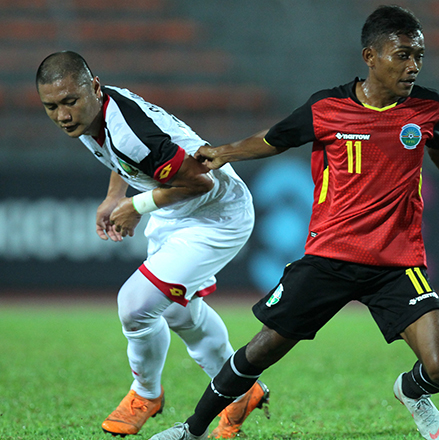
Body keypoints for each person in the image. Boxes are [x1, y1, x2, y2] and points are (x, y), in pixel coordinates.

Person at [149, 5, 439, 440]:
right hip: (330, 257)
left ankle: (409, 391)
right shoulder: (328, 107)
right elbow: (274, 139)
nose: (413, 66)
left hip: (397, 263)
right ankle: (191, 431)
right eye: (402, 55)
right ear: (370, 56)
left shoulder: (425, 106)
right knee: (259, 351)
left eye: (419, 56)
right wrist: (224, 152)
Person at [35, 51, 269, 438]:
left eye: (69, 102)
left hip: (216, 215)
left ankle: (146, 394)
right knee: (177, 312)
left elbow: (199, 181)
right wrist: (115, 196)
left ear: (94, 87)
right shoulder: (93, 114)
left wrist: (135, 205)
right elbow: (120, 157)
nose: (62, 115)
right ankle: (240, 393)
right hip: (177, 212)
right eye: (51, 106)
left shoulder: (129, 132)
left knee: (135, 305)